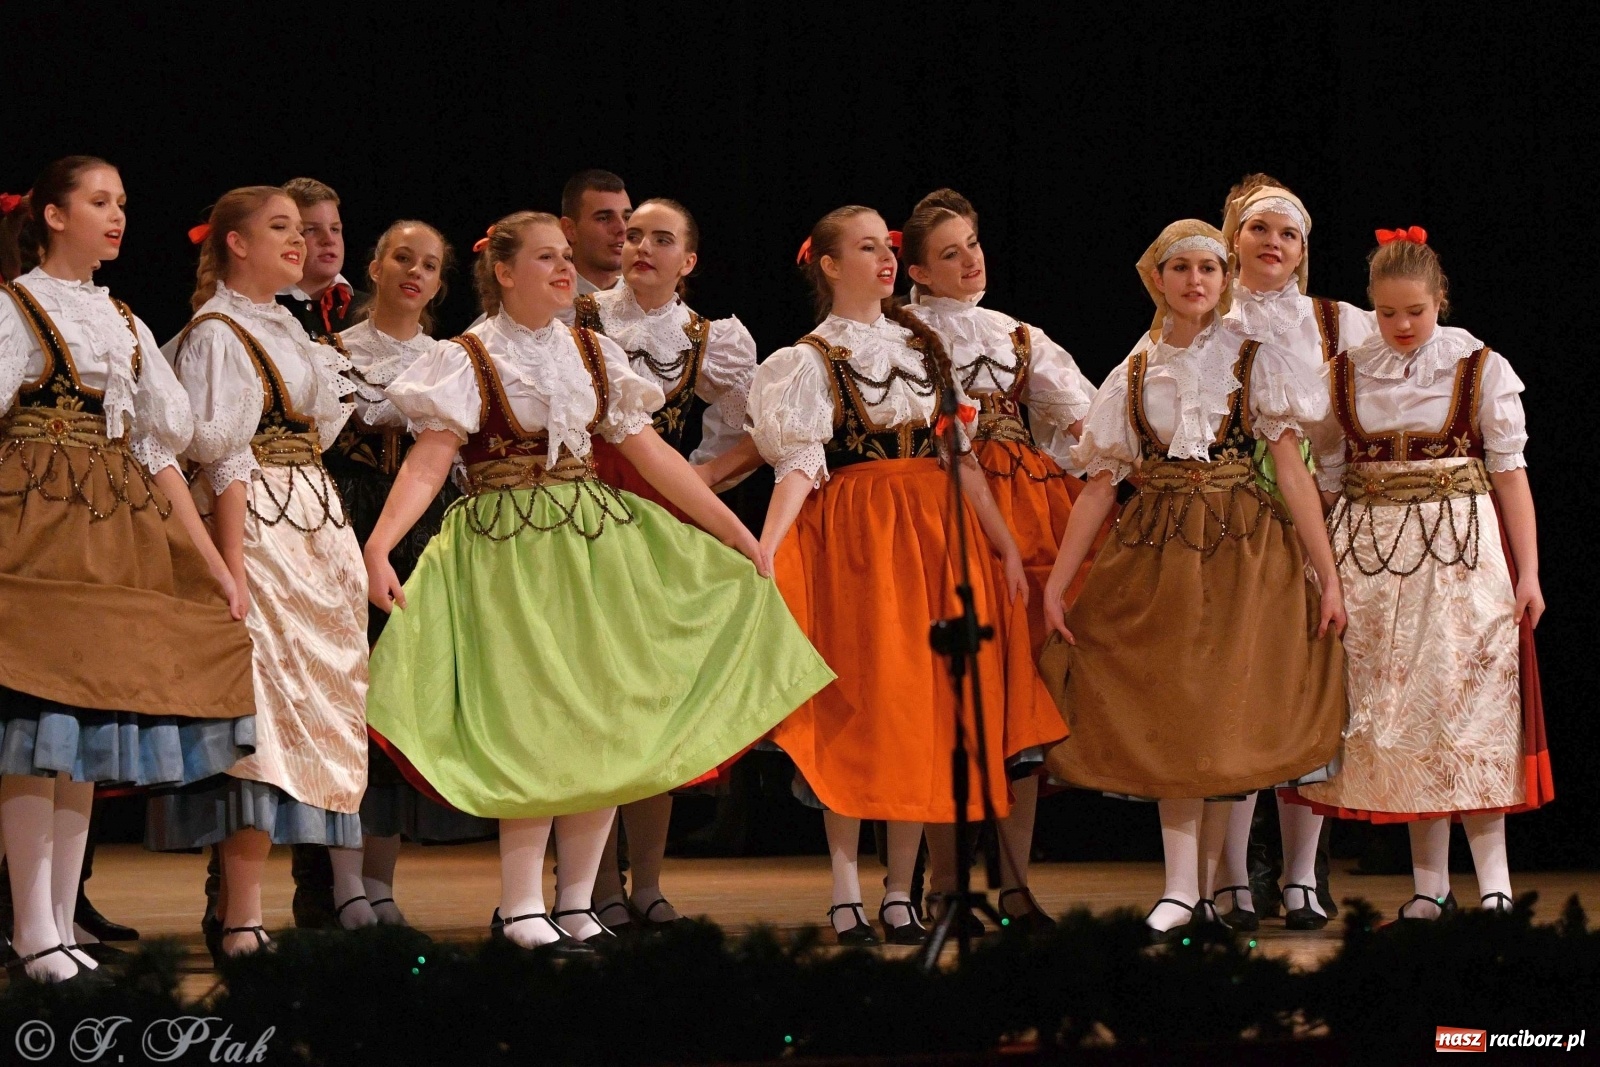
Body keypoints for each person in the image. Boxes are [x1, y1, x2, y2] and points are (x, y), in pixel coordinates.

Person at [361, 211, 832, 953]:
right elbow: (428, 461)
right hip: (505, 553)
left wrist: (736, 533)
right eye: (545, 258)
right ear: (505, 272)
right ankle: (520, 903)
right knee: (533, 722)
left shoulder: (592, 352)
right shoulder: (470, 356)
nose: (562, 270)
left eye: (564, 258)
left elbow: (654, 457)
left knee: (601, 718)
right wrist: (380, 545)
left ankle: (576, 901)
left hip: (591, 545)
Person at [748, 205, 1063, 946]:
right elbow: (799, 463)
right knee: (860, 699)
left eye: (887, 246)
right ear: (828, 265)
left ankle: (900, 890)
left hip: (934, 534)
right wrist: (767, 545)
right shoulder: (808, 358)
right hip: (859, 537)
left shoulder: (923, 346)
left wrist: (1005, 545)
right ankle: (845, 887)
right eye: (866, 248)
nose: (884, 258)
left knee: (926, 706)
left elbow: (961, 460)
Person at [1036, 219, 1346, 942]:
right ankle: (1182, 886)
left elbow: (1293, 474)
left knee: (1229, 705)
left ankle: (1215, 885)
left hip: (1245, 546)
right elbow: (1099, 482)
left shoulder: (1256, 361)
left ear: (1224, 277)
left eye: (1210, 267)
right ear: (1159, 278)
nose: (1197, 280)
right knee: (1175, 707)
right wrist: (1057, 582)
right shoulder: (1135, 371)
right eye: (1182, 268)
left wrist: (1325, 573)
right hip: (1162, 545)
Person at [0, 159, 255, 981]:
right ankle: (32, 927)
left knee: (79, 733)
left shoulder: (124, 320)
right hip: (36, 522)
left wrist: (216, 562)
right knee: (32, 728)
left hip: (116, 528)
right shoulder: (13, 308)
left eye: (122, 204)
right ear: (51, 214)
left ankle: (59, 921)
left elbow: (156, 451)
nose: (116, 217)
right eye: (99, 202)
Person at [1290, 227, 1551, 919]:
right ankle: (1429, 886)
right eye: (1387, 313)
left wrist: (1530, 573)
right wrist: (1316, 571)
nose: (1403, 326)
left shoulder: (1478, 366)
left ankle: (1494, 882)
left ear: (1440, 300)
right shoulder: (1343, 373)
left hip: (1463, 558)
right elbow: (1328, 478)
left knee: (1471, 713)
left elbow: (1510, 472)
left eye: (1417, 310)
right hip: (1371, 559)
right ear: (1371, 308)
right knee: (1404, 720)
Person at [149, 185, 368, 962]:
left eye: (301, 231)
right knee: (260, 721)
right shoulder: (217, 334)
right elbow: (220, 460)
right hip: (261, 532)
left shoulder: (286, 325)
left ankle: (298, 896)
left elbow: (319, 423)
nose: (299, 241)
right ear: (235, 243)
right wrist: (230, 569)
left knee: (312, 709)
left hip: (312, 522)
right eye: (280, 229)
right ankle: (241, 911)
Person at [899, 188, 1097, 933]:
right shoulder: (902, 336)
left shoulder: (1017, 334)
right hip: (946, 509)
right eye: (950, 252)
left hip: (1031, 511)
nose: (970, 259)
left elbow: (1079, 412)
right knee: (956, 699)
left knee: (1023, 701)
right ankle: (945, 885)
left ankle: (1014, 886)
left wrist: (1088, 436)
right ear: (916, 268)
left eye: (974, 243)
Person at [572, 197, 761, 932]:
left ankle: (645, 880)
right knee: (594, 703)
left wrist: (702, 480)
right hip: (581, 521)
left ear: (689, 261)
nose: (640, 244)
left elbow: (756, 430)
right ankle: (589, 883)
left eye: (662, 238)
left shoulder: (711, 340)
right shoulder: (578, 318)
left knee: (656, 708)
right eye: (633, 234)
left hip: (665, 527)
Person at [1211, 175, 1376, 929]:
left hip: (1331, 521)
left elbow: (1412, 366)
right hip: (1235, 526)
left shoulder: (1340, 323)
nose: (1273, 244)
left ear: (1304, 249)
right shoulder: (1207, 314)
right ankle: (1234, 870)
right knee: (1241, 692)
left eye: (1289, 234)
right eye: (1259, 230)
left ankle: (1305, 873)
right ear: (1232, 239)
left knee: (1315, 693)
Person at [328, 220, 494, 929]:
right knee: (347, 701)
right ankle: (342, 884)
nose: (415, 272)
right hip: (343, 523)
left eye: (429, 264)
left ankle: (381, 881)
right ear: (374, 265)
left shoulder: (448, 359)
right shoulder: (332, 354)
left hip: (422, 530)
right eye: (402, 257)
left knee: (400, 697)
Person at [276, 177, 355, 342]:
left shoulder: (369, 309)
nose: (329, 239)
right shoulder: (263, 306)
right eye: (311, 229)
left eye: (335, 229)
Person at [560, 169, 631, 297]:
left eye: (626, 218)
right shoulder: (540, 307)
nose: (622, 228)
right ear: (569, 229)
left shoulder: (657, 305)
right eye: (604, 218)